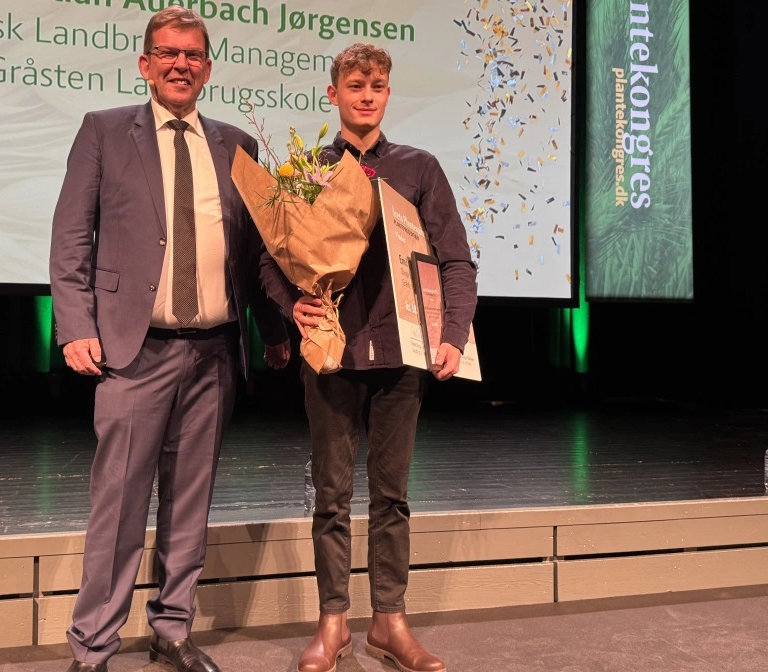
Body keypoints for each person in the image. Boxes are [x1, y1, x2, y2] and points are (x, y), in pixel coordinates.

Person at [49, 8, 289, 672]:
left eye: (193, 55)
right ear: (145, 64)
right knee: (119, 506)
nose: (181, 64)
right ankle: (93, 647)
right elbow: (70, 237)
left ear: (207, 68)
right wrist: (75, 326)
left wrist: (273, 331)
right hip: (135, 351)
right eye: (168, 53)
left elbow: (258, 253)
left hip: (213, 352)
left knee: (191, 501)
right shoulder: (103, 133)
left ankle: (173, 630)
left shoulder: (238, 143)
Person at [261, 43, 477, 672]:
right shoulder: (307, 171)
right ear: (333, 95)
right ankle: (334, 624)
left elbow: (456, 259)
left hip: (402, 357)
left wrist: (453, 335)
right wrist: (290, 306)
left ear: (388, 94)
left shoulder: (418, 168)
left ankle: (389, 622)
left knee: (392, 495)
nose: (366, 95)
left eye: (377, 86)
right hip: (331, 355)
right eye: (355, 85)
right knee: (331, 495)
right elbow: (269, 260)